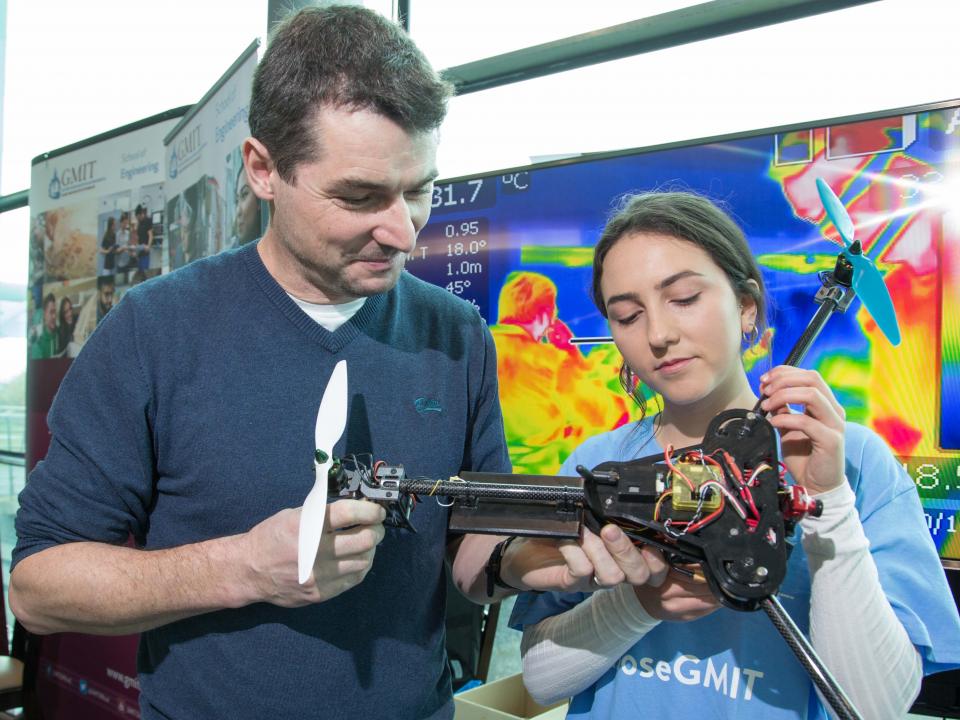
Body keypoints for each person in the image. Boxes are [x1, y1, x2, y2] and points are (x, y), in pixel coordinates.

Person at [9, 7, 587, 720]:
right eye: (359, 197)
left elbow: (470, 551)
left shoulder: (455, 331)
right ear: (263, 170)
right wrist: (245, 568)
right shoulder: (154, 330)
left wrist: (539, 560)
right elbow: (39, 587)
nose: (403, 231)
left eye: (418, 190)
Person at [509, 191, 960, 719]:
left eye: (683, 298)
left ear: (746, 306)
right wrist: (637, 603)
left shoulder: (852, 462)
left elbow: (876, 705)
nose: (659, 335)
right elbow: (540, 681)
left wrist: (827, 505)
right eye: (628, 315)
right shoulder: (602, 462)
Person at [490, 271, 630, 474]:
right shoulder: (550, 361)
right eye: (553, 307)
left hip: (481, 482)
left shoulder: (476, 348)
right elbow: (611, 414)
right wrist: (571, 355)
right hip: (541, 486)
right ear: (545, 314)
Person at [69, 274, 115, 352]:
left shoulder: (113, 310)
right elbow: (77, 336)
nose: (110, 299)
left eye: (112, 293)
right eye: (106, 294)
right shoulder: (89, 311)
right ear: (99, 293)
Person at [28, 293, 58, 359]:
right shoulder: (38, 342)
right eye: (51, 312)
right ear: (44, 314)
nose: (54, 316)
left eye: (55, 312)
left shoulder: (58, 334)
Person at [135, 204, 154, 271]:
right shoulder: (139, 223)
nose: (137, 219)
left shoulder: (148, 220)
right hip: (139, 252)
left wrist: (148, 246)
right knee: (140, 272)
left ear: (140, 214)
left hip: (145, 252)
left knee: (145, 271)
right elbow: (137, 237)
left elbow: (150, 235)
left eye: (137, 217)